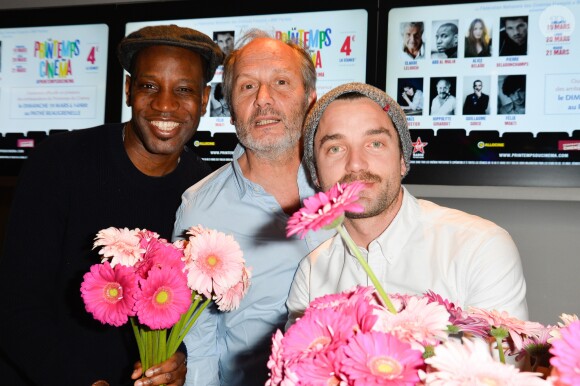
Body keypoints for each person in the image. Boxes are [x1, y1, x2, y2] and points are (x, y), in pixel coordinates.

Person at [0, 25, 224, 386]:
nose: (165, 104)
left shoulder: (205, 188)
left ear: (203, 99)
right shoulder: (59, 164)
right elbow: (15, 309)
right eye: (149, 86)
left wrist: (180, 360)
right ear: (128, 90)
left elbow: (194, 318)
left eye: (183, 90)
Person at [287, 82, 529, 329]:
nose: (356, 164)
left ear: (403, 160)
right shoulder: (310, 275)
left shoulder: (478, 248)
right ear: (315, 174)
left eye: (375, 144)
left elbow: (496, 365)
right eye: (335, 148)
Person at [172, 29, 334, 385]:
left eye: (280, 82)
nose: (264, 99)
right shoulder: (200, 210)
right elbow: (199, 345)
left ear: (310, 99)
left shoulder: (348, 187)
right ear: (230, 109)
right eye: (247, 87)